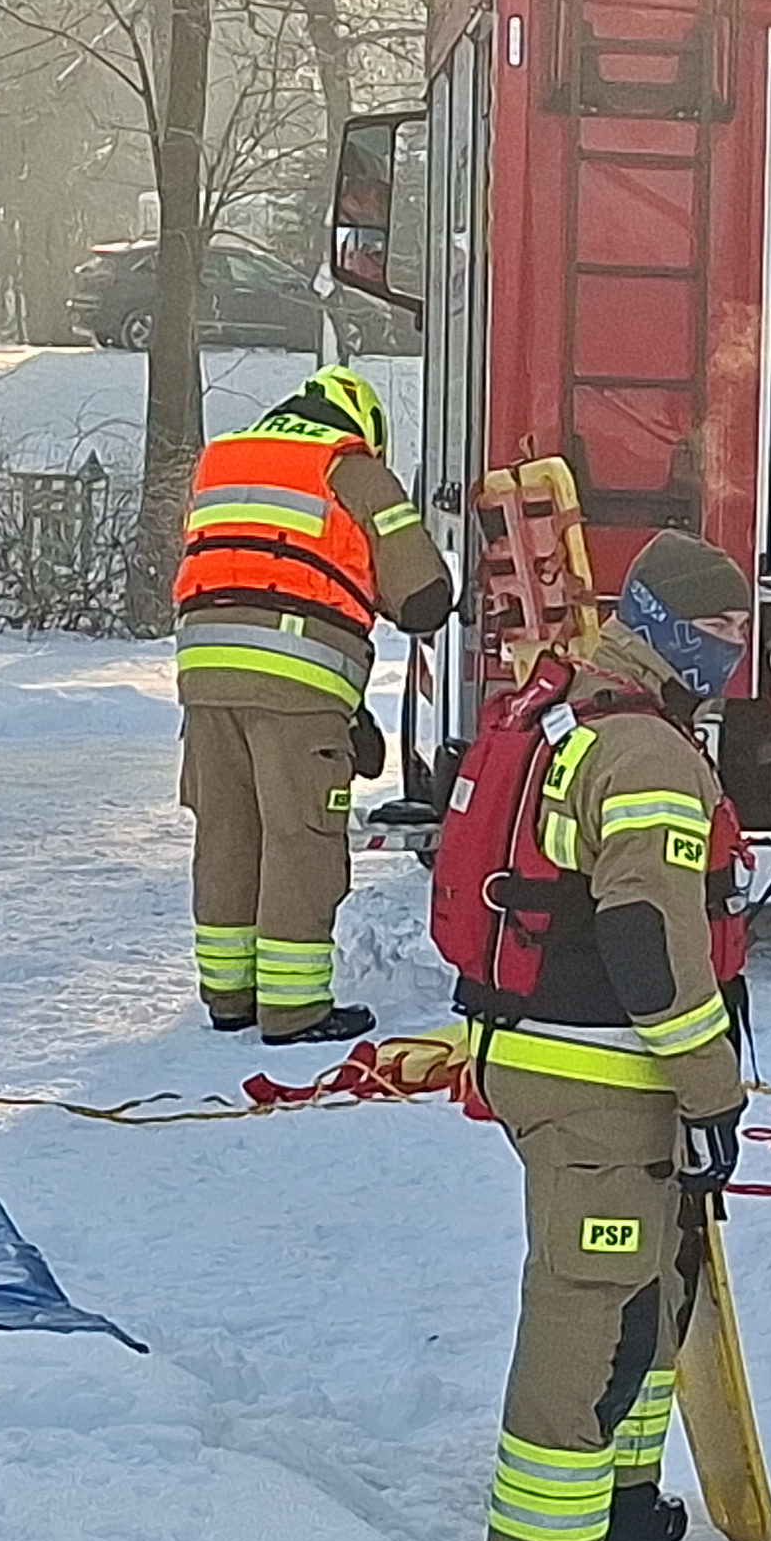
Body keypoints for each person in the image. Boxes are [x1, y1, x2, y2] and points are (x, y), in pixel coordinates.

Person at [464, 529, 755, 1541]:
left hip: (568, 1059)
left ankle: (621, 1497)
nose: (735, 649)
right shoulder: (644, 752)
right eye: (720, 629)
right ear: (666, 626)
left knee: (648, 1285)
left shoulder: (584, 714)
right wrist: (711, 1087)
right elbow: (647, 941)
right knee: (586, 1305)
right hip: (598, 1074)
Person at [171, 364, 451, 1042]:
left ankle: (229, 996)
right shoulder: (349, 468)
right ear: (362, 425)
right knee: (301, 838)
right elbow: (423, 597)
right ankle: (294, 1009)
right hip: (295, 681)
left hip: (203, 672)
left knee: (227, 830)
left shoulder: (222, 460)